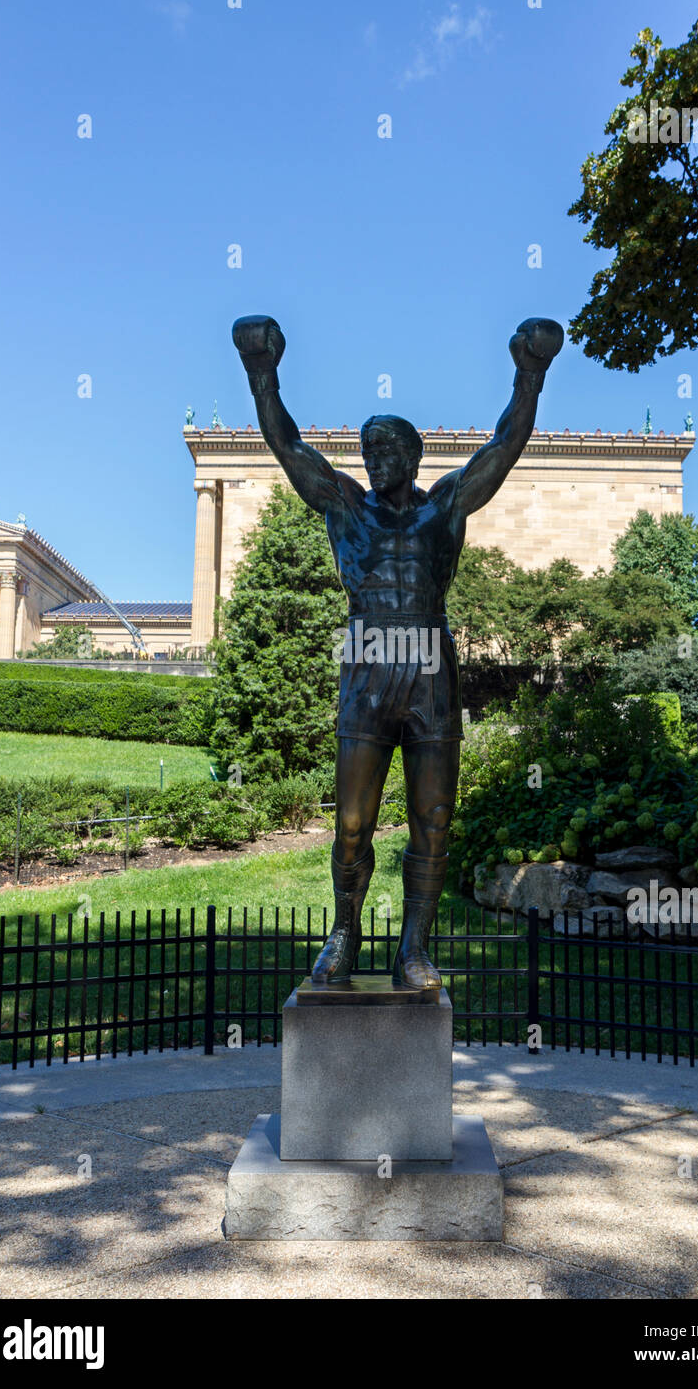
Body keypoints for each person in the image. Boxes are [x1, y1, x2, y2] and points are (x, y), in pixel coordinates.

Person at [232, 313, 563, 987]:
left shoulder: (443, 506)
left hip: (432, 669)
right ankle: (345, 934)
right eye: (368, 447)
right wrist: (262, 374)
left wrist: (530, 374)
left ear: (414, 456)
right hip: (367, 665)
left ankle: (414, 949)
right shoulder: (345, 507)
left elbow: (504, 445)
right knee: (352, 820)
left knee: (432, 820)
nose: (374, 457)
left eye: (387, 448)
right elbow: (288, 445)